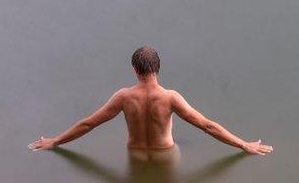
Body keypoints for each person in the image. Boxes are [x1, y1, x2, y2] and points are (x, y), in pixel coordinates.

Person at [28, 46, 272, 156]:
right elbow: (207, 126)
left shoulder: (123, 97)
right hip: (164, 154)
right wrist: (243, 145)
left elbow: (88, 124)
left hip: (135, 155)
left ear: (134, 68)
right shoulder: (170, 98)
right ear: (158, 68)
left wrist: (55, 141)